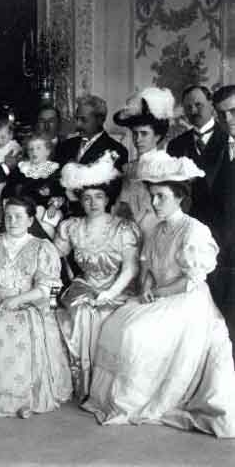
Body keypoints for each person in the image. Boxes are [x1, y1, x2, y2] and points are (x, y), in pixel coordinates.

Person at [82, 150, 235, 438]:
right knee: (116, 323)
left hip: (187, 303)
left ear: (179, 197)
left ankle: (138, 400)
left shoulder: (194, 231)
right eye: (152, 196)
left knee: (136, 333)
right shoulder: (157, 229)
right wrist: (149, 286)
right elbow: (149, 266)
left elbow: (190, 281)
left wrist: (159, 292)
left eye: (161, 196)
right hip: (160, 294)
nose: (154, 203)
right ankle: (111, 399)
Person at [0, 196, 72, 419]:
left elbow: (46, 286)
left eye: (19, 216)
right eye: (9, 216)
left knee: (21, 328)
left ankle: (24, 400)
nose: (12, 221)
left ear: (30, 220)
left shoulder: (42, 247)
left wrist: (18, 300)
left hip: (28, 302)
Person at [54, 152, 141, 400]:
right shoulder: (71, 226)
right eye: (87, 198)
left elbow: (131, 268)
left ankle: (103, 388)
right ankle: (84, 385)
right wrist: (47, 225)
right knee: (84, 312)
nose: (93, 203)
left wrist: (110, 293)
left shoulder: (123, 227)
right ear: (80, 200)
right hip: (84, 285)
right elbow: (51, 257)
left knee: (103, 312)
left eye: (98, 197)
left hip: (119, 287)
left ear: (107, 198)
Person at [113, 87, 175, 239]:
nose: (138, 139)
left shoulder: (166, 166)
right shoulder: (128, 168)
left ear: (157, 136)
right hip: (127, 234)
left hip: (156, 233)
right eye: (135, 134)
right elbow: (121, 206)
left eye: (144, 134)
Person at [167, 85, 229, 226]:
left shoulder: (230, 139)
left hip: (227, 227)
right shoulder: (175, 145)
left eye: (198, 105)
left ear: (211, 105)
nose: (193, 110)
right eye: (188, 107)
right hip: (190, 225)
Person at [210, 85, 235, 359]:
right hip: (222, 251)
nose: (228, 120)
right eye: (222, 115)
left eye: (233, 112)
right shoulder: (216, 148)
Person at [2, 133, 64, 239]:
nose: (34, 152)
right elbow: (8, 190)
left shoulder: (54, 170)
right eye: (31, 149)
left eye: (38, 148)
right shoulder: (21, 169)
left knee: (45, 221)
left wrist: (54, 205)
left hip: (44, 212)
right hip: (22, 210)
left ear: (47, 151)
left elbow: (60, 191)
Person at [55, 95, 128, 170]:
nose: (78, 124)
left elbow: (113, 181)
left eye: (83, 120)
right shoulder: (66, 145)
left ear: (100, 120)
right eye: (77, 119)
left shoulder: (117, 151)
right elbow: (46, 173)